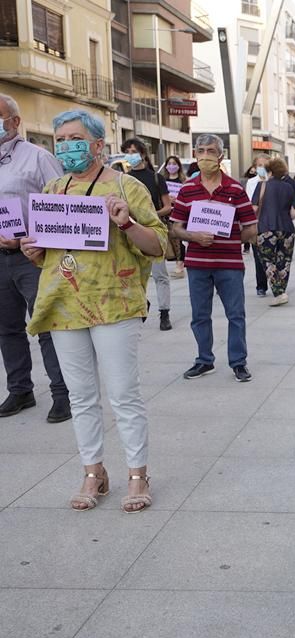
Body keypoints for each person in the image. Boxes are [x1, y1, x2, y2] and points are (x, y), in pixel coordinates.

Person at [21, 109, 168, 512]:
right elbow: (48, 251)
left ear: (99, 145)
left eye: (75, 139)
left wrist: (126, 224)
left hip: (114, 304)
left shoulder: (127, 187)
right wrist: (33, 250)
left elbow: (159, 246)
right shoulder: (53, 188)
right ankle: (93, 471)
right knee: (81, 396)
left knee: (123, 394)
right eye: (61, 140)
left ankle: (137, 474)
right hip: (64, 306)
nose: (67, 147)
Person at [0, 93, 70, 423]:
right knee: (7, 327)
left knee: (45, 324)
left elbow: (60, 207)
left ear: (14, 121)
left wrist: (32, 239)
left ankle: (62, 393)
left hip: (32, 257)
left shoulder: (38, 158)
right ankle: (20, 390)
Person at [170, 134, 258, 383]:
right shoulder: (187, 189)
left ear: (221, 156)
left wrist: (232, 234)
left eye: (211, 151)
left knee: (235, 315)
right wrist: (193, 235)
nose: (205, 156)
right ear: (195, 154)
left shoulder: (235, 189)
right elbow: (175, 227)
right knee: (199, 314)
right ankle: (204, 360)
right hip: (197, 264)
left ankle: (238, 362)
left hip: (229, 263)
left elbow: (250, 228)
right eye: (201, 151)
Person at [121, 138, 173, 331]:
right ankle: (141, 306)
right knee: (133, 274)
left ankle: (164, 312)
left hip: (153, 232)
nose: (130, 155)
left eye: (133, 151)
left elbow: (168, 207)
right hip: (131, 233)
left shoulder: (156, 178)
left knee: (160, 275)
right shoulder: (123, 179)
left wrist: (147, 216)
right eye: (127, 151)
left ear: (142, 154)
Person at [251, 157, 295, 307]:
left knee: (267, 260)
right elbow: (294, 213)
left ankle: (279, 293)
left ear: (269, 171)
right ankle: (281, 290)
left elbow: (254, 209)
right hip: (287, 229)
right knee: (284, 261)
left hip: (266, 228)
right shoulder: (289, 187)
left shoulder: (262, 185)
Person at [244, 154, 271, 295]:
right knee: (258, 256)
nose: (263, 168)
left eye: (265, 165)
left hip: (272, 223)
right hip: (257, 222)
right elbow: (249, 203)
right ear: (255, 167)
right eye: (260, 165)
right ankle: (261, 285)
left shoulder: (274, 181)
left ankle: (276, 282)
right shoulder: (252, 182)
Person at [162, 155, 187, 279]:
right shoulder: (163, 180)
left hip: (178, 213)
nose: (171, 166)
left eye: (174, 163)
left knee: (178, 238)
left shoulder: (183, 181)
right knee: (168, 238)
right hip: (166, 213)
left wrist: (178, 200)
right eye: (169, 163)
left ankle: (180, 264)